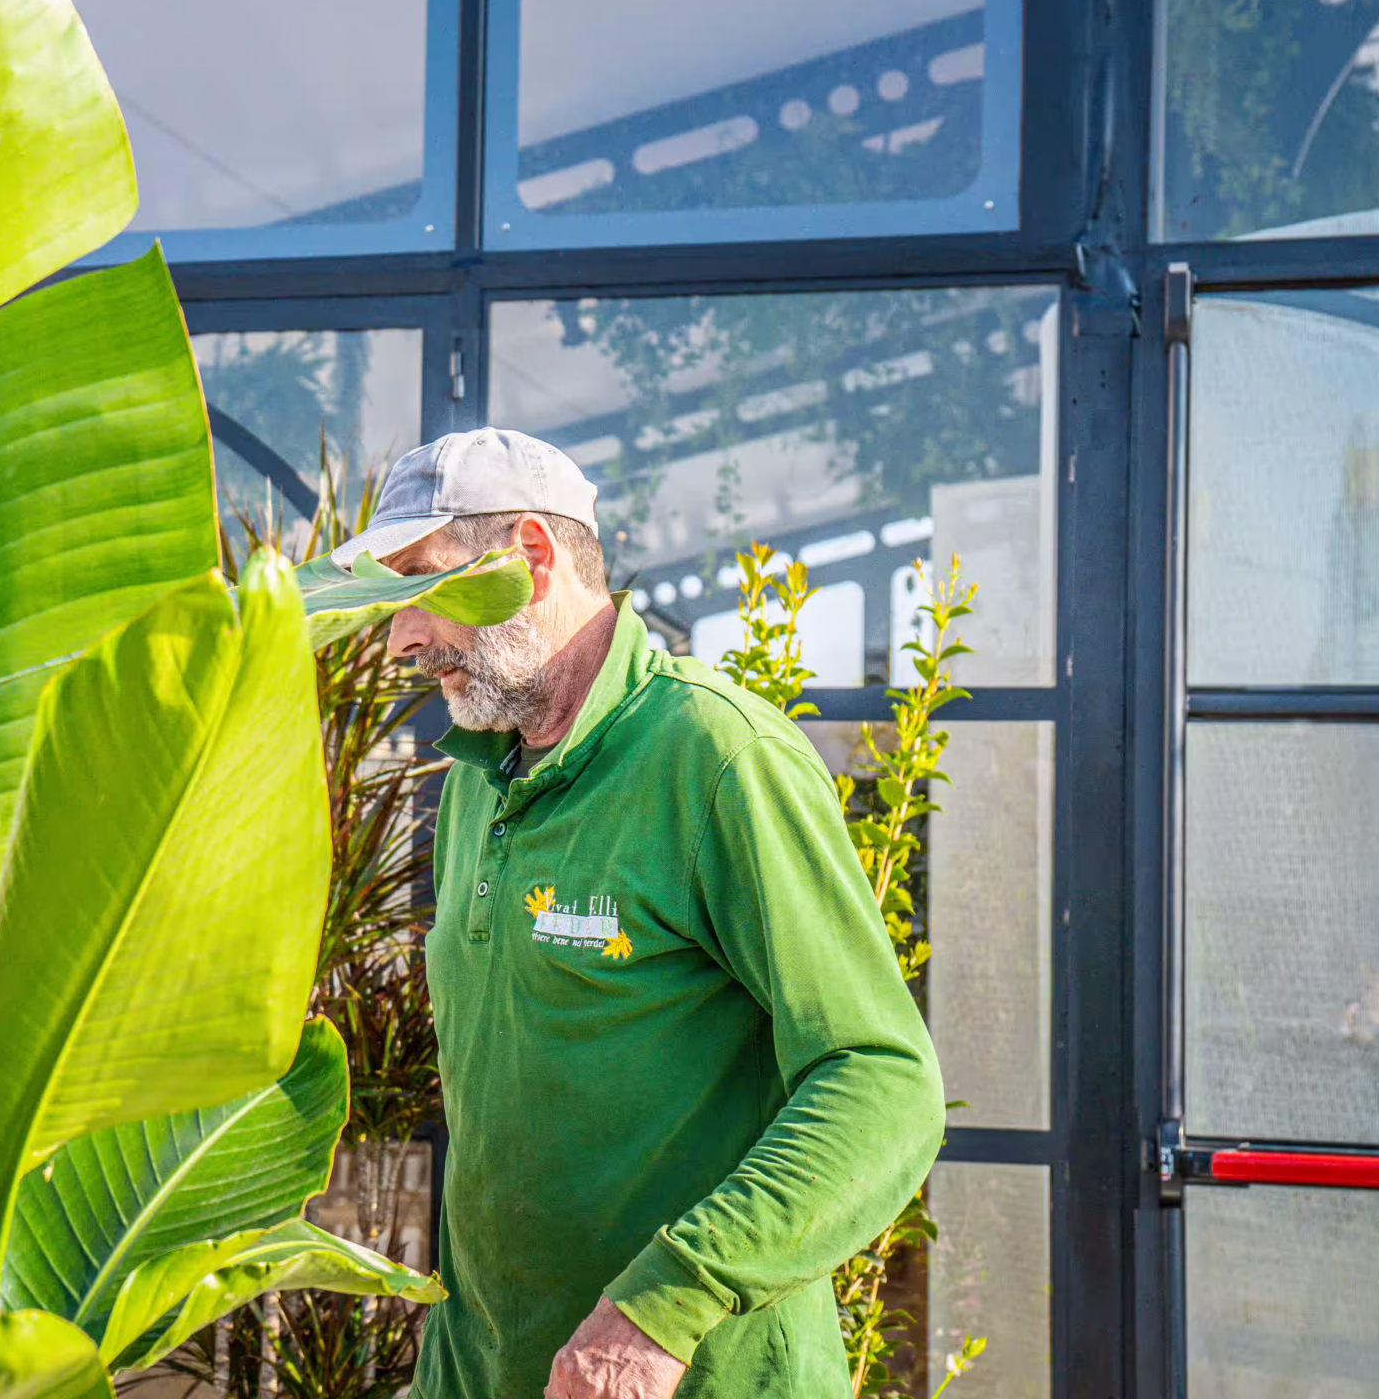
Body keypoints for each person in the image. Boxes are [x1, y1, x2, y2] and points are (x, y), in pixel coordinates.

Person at [335, 428, 946, 1399]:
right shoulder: (475, 783)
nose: (400, 639)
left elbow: (880, 1083)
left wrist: (662, 1306)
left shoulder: (715, 758)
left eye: (421, 586)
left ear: (529, 556)